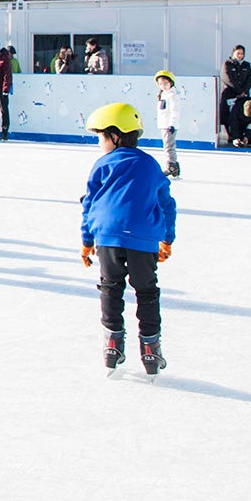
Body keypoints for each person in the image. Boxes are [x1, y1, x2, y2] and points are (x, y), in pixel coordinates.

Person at [79, 102, 176, 376]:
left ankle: (112, 343)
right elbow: (167, 205)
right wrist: (167, 239)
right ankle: (150, 348)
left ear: (115, 135)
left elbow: (89, 203)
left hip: (107, 237)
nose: (99, 142)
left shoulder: (103, 164)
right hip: (143, 239)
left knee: (110, 287)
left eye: (101, 136)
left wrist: (87, 241)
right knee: (146, 291)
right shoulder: (150, 165)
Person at [153, 70, 181, 179]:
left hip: (169, 126)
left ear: (171, 83)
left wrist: (172, 124)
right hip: (164, 125)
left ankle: (171, 166)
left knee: (169, 146)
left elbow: (175, 111)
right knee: (167, 145)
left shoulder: (172, 95)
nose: (163, 86)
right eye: (161, 84)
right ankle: (174, 168)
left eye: (165, 83)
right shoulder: (164, 94)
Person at [220, 44, 251, 130]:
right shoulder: (227, 64)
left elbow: (249, 80)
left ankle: (241, 133)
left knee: (242, 114)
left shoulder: (246, 65)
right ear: (233, 53)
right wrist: (239, 91)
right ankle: (231, 133)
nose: (240, 55)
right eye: (238, 53)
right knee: (227, 114)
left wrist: (243, 92)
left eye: (242, 53)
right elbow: (227, 79)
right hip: (230, 93)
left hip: (243, 95)